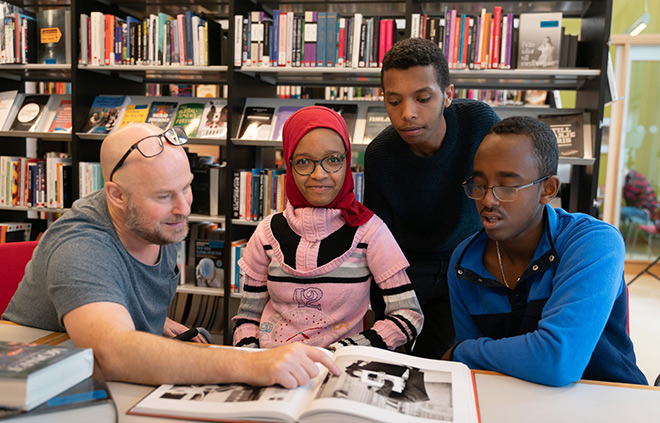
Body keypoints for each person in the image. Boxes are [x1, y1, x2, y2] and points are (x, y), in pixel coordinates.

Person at [2, 123, 339, 387]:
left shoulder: (156, 221)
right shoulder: (79, 245)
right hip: (32, 388)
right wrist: (255, 363)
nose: (183, 208)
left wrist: (149, 320)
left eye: (186, 186)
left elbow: (112, 290)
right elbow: (112, 354)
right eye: (164, 195)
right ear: (116, 195)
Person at [444, 116, 647, 386]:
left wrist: (461, 351)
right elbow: (472, 375)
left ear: (548, 189)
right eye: (480, 185)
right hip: (514, 402)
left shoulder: (593, 243)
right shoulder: (464, 261)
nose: (488, 200)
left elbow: (558, 361)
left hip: (609, 400)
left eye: (507, 186)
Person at [232, 106, 423, 351]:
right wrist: (253, 358)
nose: (319, 174)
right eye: (303, 162)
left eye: (333, 160)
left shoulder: (370, 231)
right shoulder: (267, 232)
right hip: (272, 366)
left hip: (339, 367)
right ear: (289, 164)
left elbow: (409, 315)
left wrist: (344, 350)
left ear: (347, 161)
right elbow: (247, 317)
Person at [363, 37, 500, 358]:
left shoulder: (480, 124)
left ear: (448, 95)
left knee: (441, 362)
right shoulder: (380, 156)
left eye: (423, 98)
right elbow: (378, 241)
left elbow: (504, 195)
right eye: (394, 101)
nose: (408, 113)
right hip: (405, 270)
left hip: (467, 262)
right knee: (389, 360)